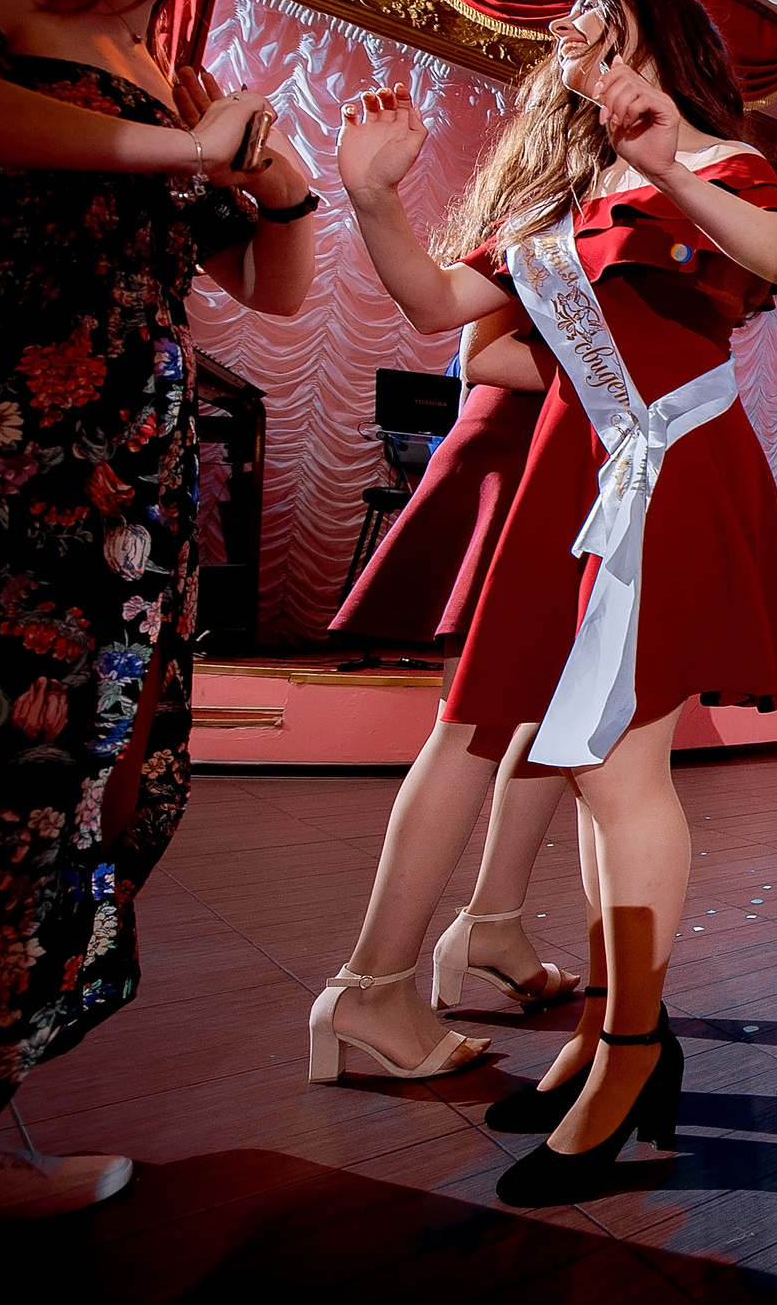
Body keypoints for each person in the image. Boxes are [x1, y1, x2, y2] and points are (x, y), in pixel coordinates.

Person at [0, 0, 318, 1217]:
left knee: (83, 772)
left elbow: (271, 294)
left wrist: (288, 189)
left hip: (125, 455)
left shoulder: (151, 65)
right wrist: (176, 146)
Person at [334, 0, 777, 1207]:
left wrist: (673, 167)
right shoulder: (564, 195)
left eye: (598, 35)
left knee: (617, 771)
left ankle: (636, 1046)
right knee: (590, 763)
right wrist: (373, 199)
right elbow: (444, 301)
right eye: (569, 43)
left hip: (669, 474)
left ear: (657, 47)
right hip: (576, 479)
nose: (578, 56)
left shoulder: (717, 161)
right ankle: (612, 1034)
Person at [305, 309, 585, 1088]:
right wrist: (627, 371)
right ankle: (370, 983)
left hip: (562, 462)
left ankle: (493, 925)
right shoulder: (561, 196)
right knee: (470, 722)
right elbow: (484, 353)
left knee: (544, 710)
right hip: (521, 457)